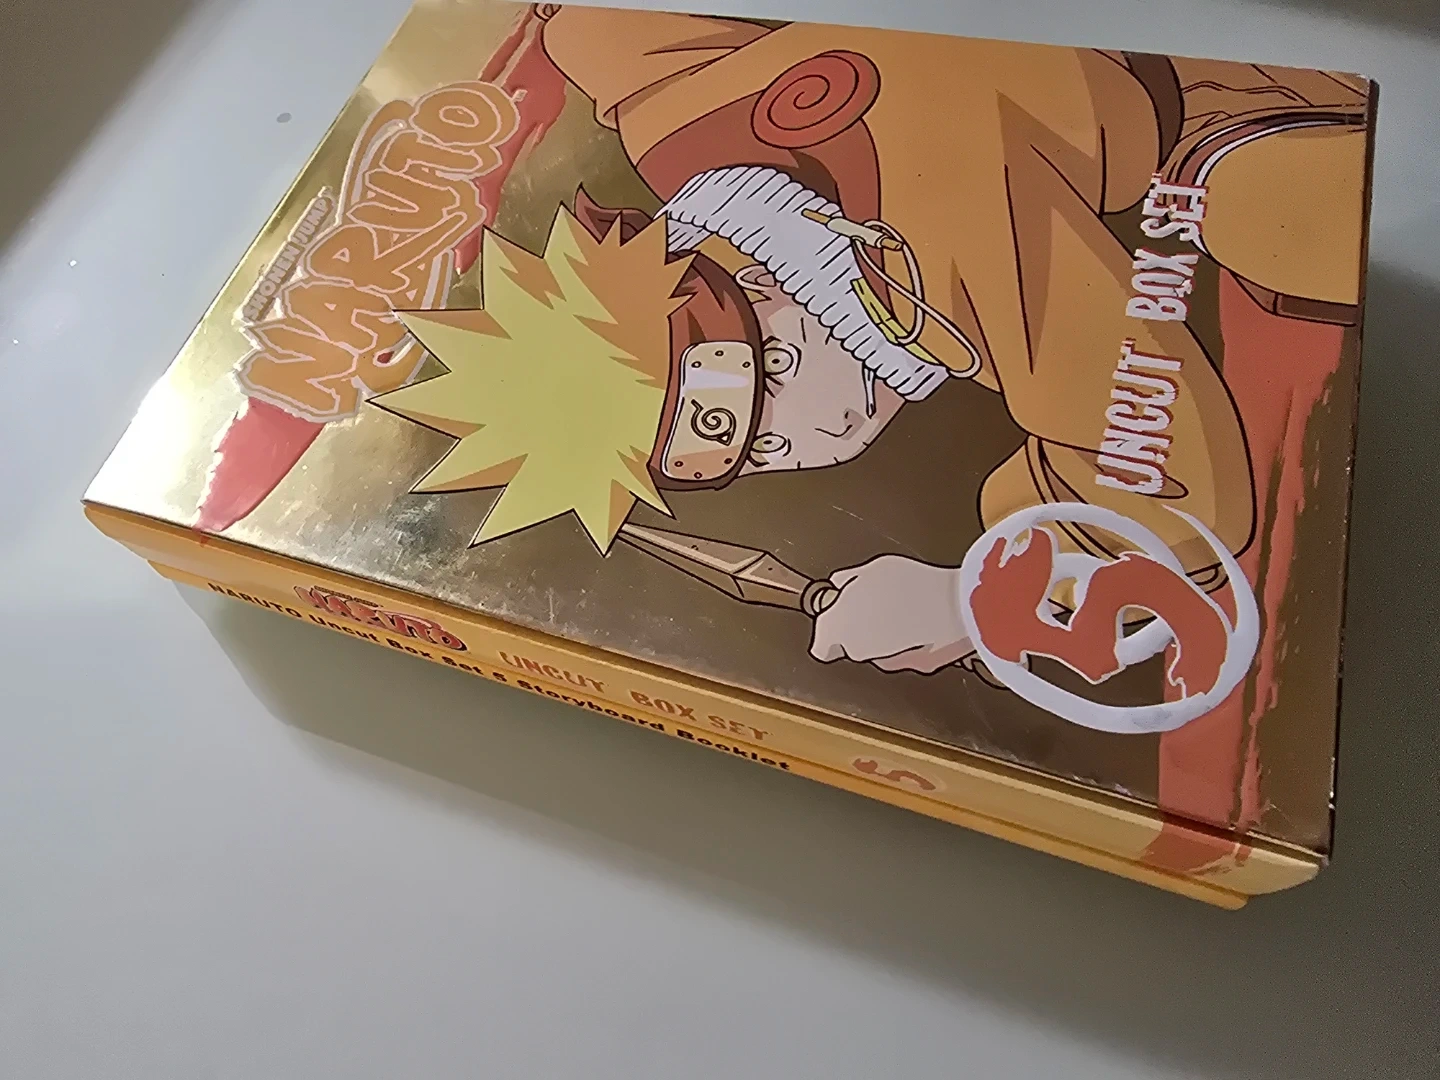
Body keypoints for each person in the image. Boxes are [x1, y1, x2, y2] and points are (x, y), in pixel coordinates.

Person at [380, 5, 1370, 678]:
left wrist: (971, 602)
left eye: (763, 388)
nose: (815, 443)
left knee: (1278, 224)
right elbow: (607, 35)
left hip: (1233, 103)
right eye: (757, 454)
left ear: (757, 285)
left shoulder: (942, 256)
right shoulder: (674, 122)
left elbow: (1171, 479)